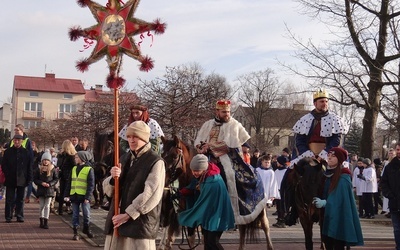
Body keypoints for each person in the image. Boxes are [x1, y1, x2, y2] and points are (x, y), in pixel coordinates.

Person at [195, 99, 266, 225]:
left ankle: (231, 213)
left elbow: (238, 146)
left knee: (233, 178)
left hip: (229, 160)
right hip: (206, 158)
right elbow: (198, 142)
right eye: (224, 112)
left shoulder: (235, 125)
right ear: (217, 112)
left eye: (228, 112)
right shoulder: (207, 125)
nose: (227, 114)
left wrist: (213, 147)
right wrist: (202, 147)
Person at [103, 121, 165, 250]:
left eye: (135, 136)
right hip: (117, 221)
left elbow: (151, 193)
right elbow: (110, 191)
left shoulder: (155, 161)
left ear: (144, 138)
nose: (131, 140)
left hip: (140, 225)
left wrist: (128, 214)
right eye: (129, 136)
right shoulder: (124, 158)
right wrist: (113, 179)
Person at [178, 154, 235, 250]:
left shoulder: (212, 182)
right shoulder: (206, 175)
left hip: (217, 216)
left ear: (204, 169)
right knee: (208, 243)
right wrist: (182, 192)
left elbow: (202, 205)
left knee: (212, 242)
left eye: (197, 171)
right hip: (212, 215)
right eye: (193, 170)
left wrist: (185, 216)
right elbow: (195, 186)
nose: (194, 173)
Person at [313, 147, 363, 248]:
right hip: (327, 215)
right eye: (329, 156)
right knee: (328, 243)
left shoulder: (344, 176)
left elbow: (341, 197)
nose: (329, 158)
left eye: (333, 156)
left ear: (339, 159)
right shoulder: (326, 174)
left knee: (337, 244)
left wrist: (326, 202)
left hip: (339, 216)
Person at [291, 89, 348, 165]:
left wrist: (325, 153)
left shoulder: (335, 119)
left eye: (326, 101)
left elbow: (336, 140)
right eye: (322, 102)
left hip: (329, 155)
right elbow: (299, 140)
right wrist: (307, 153)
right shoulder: (305, 119)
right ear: (315, 103)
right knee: (290, 172)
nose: (325, 104)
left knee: (342, 172)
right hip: (307, 156)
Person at [64, 151, 95, 240]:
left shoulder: (89, 169)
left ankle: (86, 228)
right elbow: (69, 183)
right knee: (75, 215)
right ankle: (76, 232)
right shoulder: (73, 169)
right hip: (74, 195)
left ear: (82, 158)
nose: (75, 159)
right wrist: (67, 195)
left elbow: (91, 185)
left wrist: (88, 197)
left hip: (84, 196)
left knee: (86, 214)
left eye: (77, 157)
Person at [2, 134, 33, 223]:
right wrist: (7, 173)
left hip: (22, 179)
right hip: (10, 178)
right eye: (15, 140)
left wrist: (29, 178)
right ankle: (8, 216)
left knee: (20, 199)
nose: (16, 142)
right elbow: (4, 164)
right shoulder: (8, 152)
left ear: (22, 141)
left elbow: (29, 167)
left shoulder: (26, 152)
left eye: (18, 140)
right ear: (13, 141)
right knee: (9, 199)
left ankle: (19, 215)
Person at [380, 143, 400, 249]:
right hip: (394, 203)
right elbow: (384, 183)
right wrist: (389, 194)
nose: (399, 151)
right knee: (397, 229)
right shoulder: (390, 167)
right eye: (398, 149)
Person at [33, 150, 59, 229]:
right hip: (41, 190)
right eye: (44, 160)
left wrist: (50, 184)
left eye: (47, 160)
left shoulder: (52, 169)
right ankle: (41, 220)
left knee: (47, 205)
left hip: (49, 190)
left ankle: (46, 221)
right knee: (41, 206)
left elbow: (56, 179)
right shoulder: (39, 169)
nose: (45, 162)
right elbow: (35, 179)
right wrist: (41, 183)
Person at [57, 140, 77, 215]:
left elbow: (59, 165)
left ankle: (60, 209)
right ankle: (68, 207)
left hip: (62, 175)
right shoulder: (72, 156)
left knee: (62, 192)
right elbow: (75, 166)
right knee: (69, 192)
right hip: (69, 176)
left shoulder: (61, 155)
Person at [273, 155, 289, 228]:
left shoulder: (286, 171)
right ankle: (279, 219)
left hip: (284, 191)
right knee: (278, 206)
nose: (277, 164)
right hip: (277, 190)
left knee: (283, 207)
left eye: (278, 162)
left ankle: (283, 221)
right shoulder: (276, 171)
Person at [382, 148, 395, 217]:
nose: (391, 155)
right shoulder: (387, 163)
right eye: (390, 153)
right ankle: (388, 210)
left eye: (392, 153)